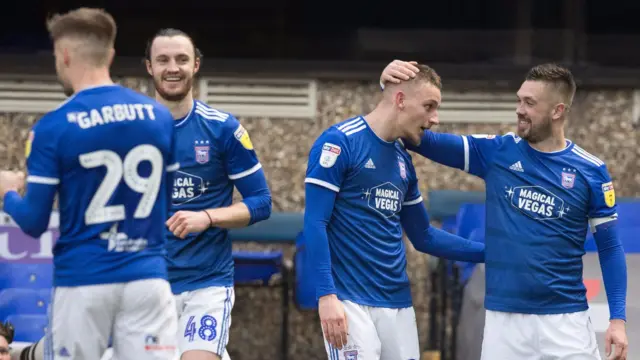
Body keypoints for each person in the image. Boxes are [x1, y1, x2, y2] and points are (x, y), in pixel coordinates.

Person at [380, 60, 629, 360]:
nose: (519, 109)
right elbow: (419, 139)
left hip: (566, 323)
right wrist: (389, 89)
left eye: (529, 103)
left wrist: (618, 319)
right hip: (503, 324)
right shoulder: (497, 152)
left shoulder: (591, 171)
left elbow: (611, 249)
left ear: (557, 111)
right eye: (519, 100)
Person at [0, 8, 179, 360]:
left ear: (64, 54)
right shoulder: (159, 117)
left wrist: (6, 192)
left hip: (83, 280)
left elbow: (34, 222)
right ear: (110, 55)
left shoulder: (53, 127)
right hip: (147, 276)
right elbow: (167, 204)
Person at [303, 63, 485, 360]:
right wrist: (326, 296)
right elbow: (315, 223)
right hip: (350, 302)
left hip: (398, 304)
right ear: (400, 100)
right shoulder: (339, 142)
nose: (434, 119)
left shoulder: (403, 159)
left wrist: (492, 252)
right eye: (429, 106)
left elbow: (424, 236)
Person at [144, 29, 272, 360]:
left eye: (182, 59)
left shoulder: (223, 129)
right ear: (149, 67)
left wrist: (208, 217)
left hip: (206, 283)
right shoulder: (132, 130)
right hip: (146, 284)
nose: (173, 68)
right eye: (163, 60)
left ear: (196, 65)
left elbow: (260, 203)